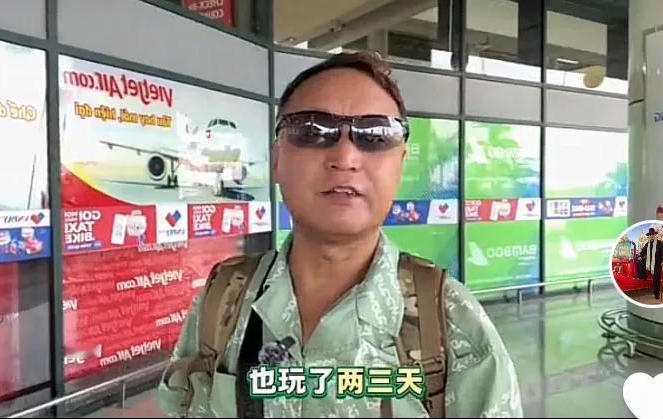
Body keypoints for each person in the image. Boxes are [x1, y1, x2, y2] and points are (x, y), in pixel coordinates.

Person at [158, 52, 522, 418]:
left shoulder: (449, 321)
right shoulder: (226, 298)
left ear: (400, 165)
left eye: (376, 135)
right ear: (277, 159)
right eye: (312, 131)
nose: (345, 156)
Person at [639, 227, 663, 300]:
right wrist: (641, 256)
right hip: (649, 263)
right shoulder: (647, 244)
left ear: (655, 235)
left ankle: (656, 294)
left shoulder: (659, 243)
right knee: (639, 262)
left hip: (657, 263)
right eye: (650, 234)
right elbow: (642, 252)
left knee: (656, 280)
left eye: (653, 234)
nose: (652, 235)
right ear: (649, 236)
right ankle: (643, 276)